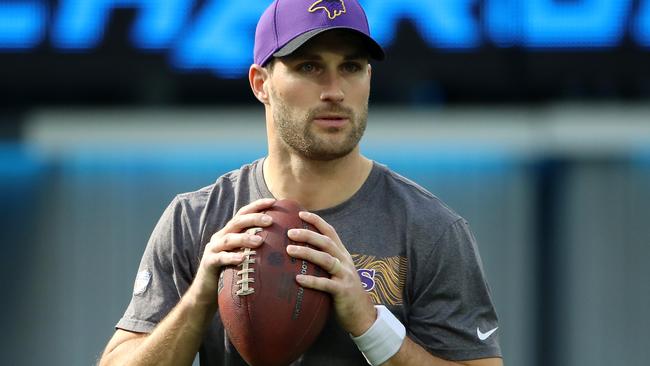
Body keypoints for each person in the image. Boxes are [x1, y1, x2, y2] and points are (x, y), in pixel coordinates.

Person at [99, 0, 502, 365]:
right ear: (261, 84)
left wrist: (371, 325)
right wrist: (199, 300)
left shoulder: (429, 229)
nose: (334, 91)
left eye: (351, 67)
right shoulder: (199, 220)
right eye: (309, 66)